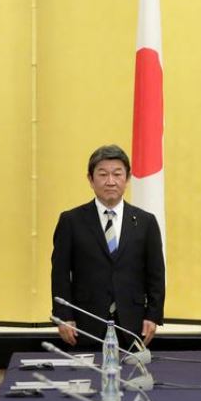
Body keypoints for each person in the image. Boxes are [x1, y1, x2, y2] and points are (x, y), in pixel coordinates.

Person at [52, 144, 166, 348]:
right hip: (85, 322)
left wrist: (153, 315)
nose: (110, 181)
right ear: (90, 179)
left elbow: (156, 274)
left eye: (117, 174)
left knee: (133, 378)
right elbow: (60, 273)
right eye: (103, 174)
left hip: (133, 322)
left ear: (128, 179)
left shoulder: (146, 222)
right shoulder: (71, 220)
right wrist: (63, 316)